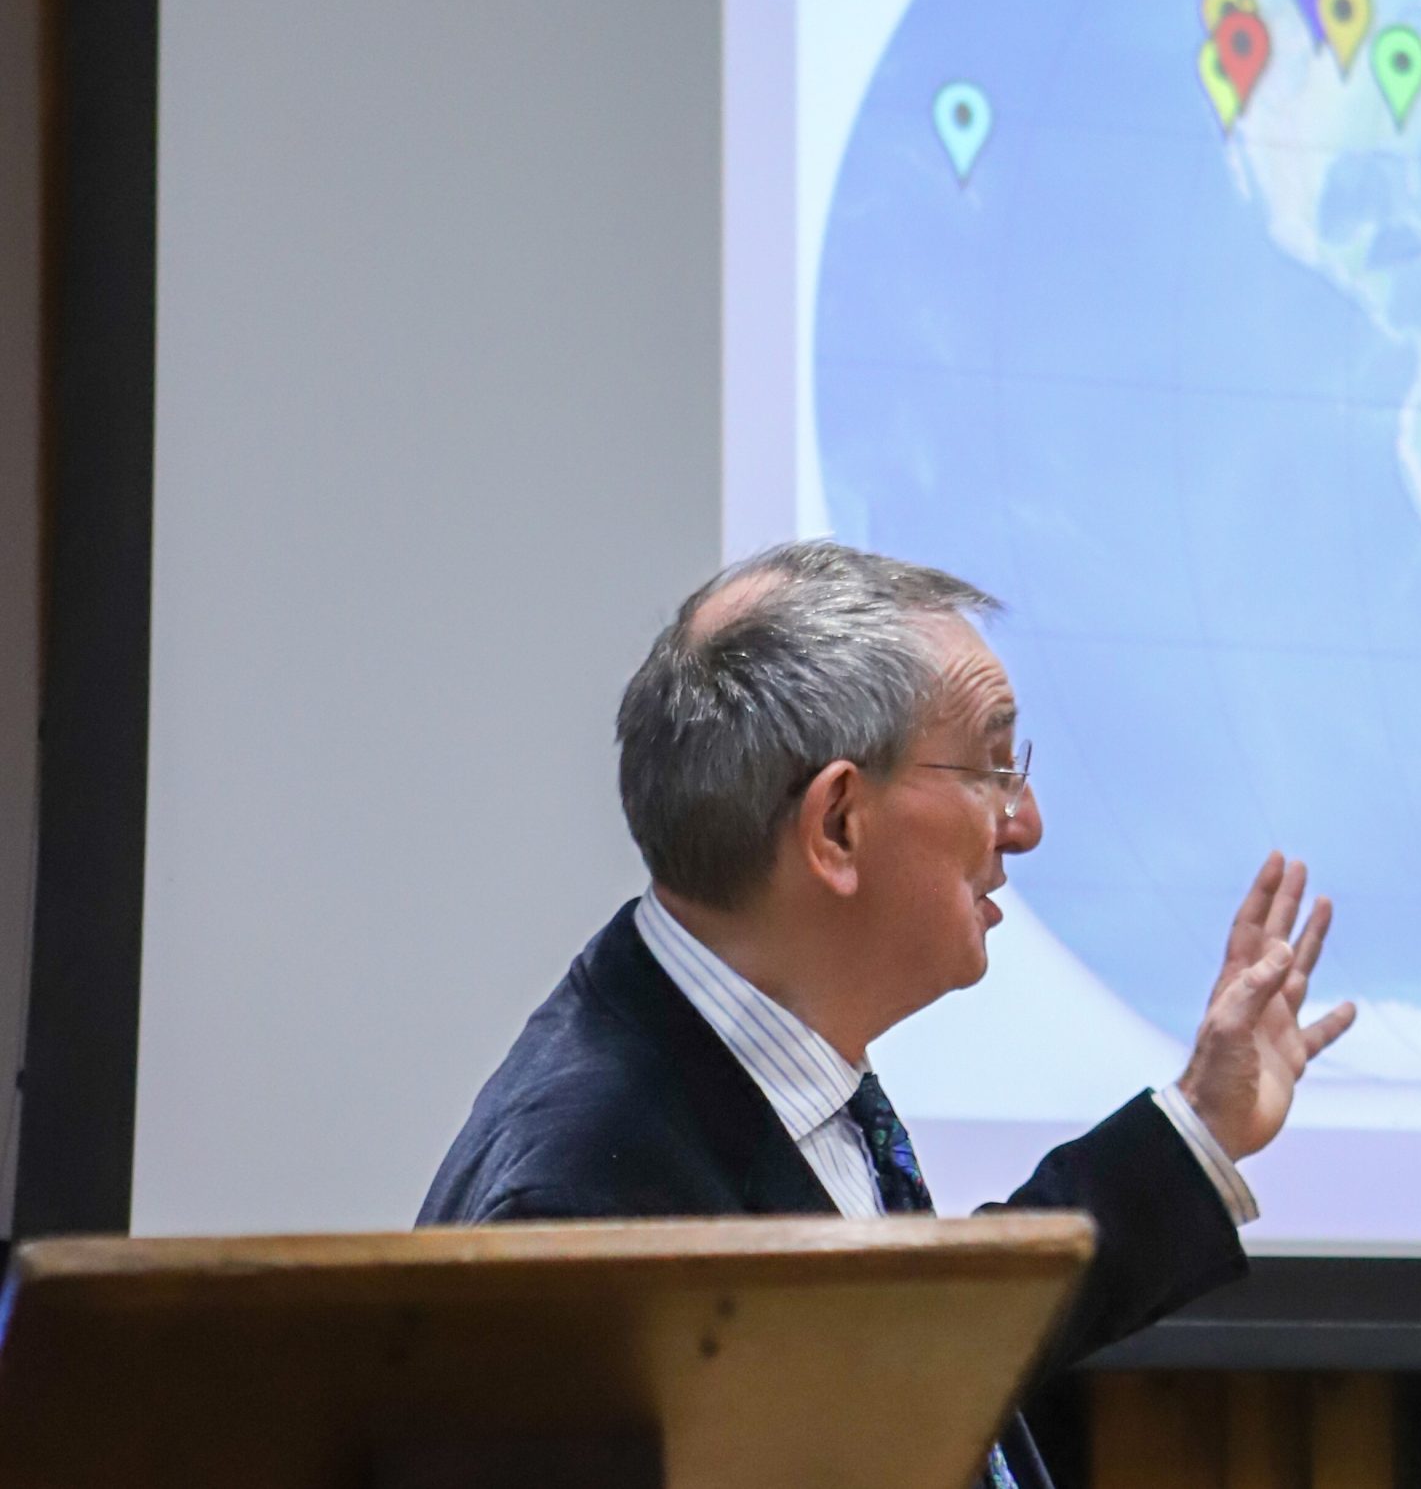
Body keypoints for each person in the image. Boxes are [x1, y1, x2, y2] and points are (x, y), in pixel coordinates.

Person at [420, 541, 1354, 1489]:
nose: (1024, 822)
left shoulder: (729, 1043)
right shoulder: (581, 1212)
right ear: (838, 826)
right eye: (993, 766)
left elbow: (906, 1348)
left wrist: (1202, 1120)